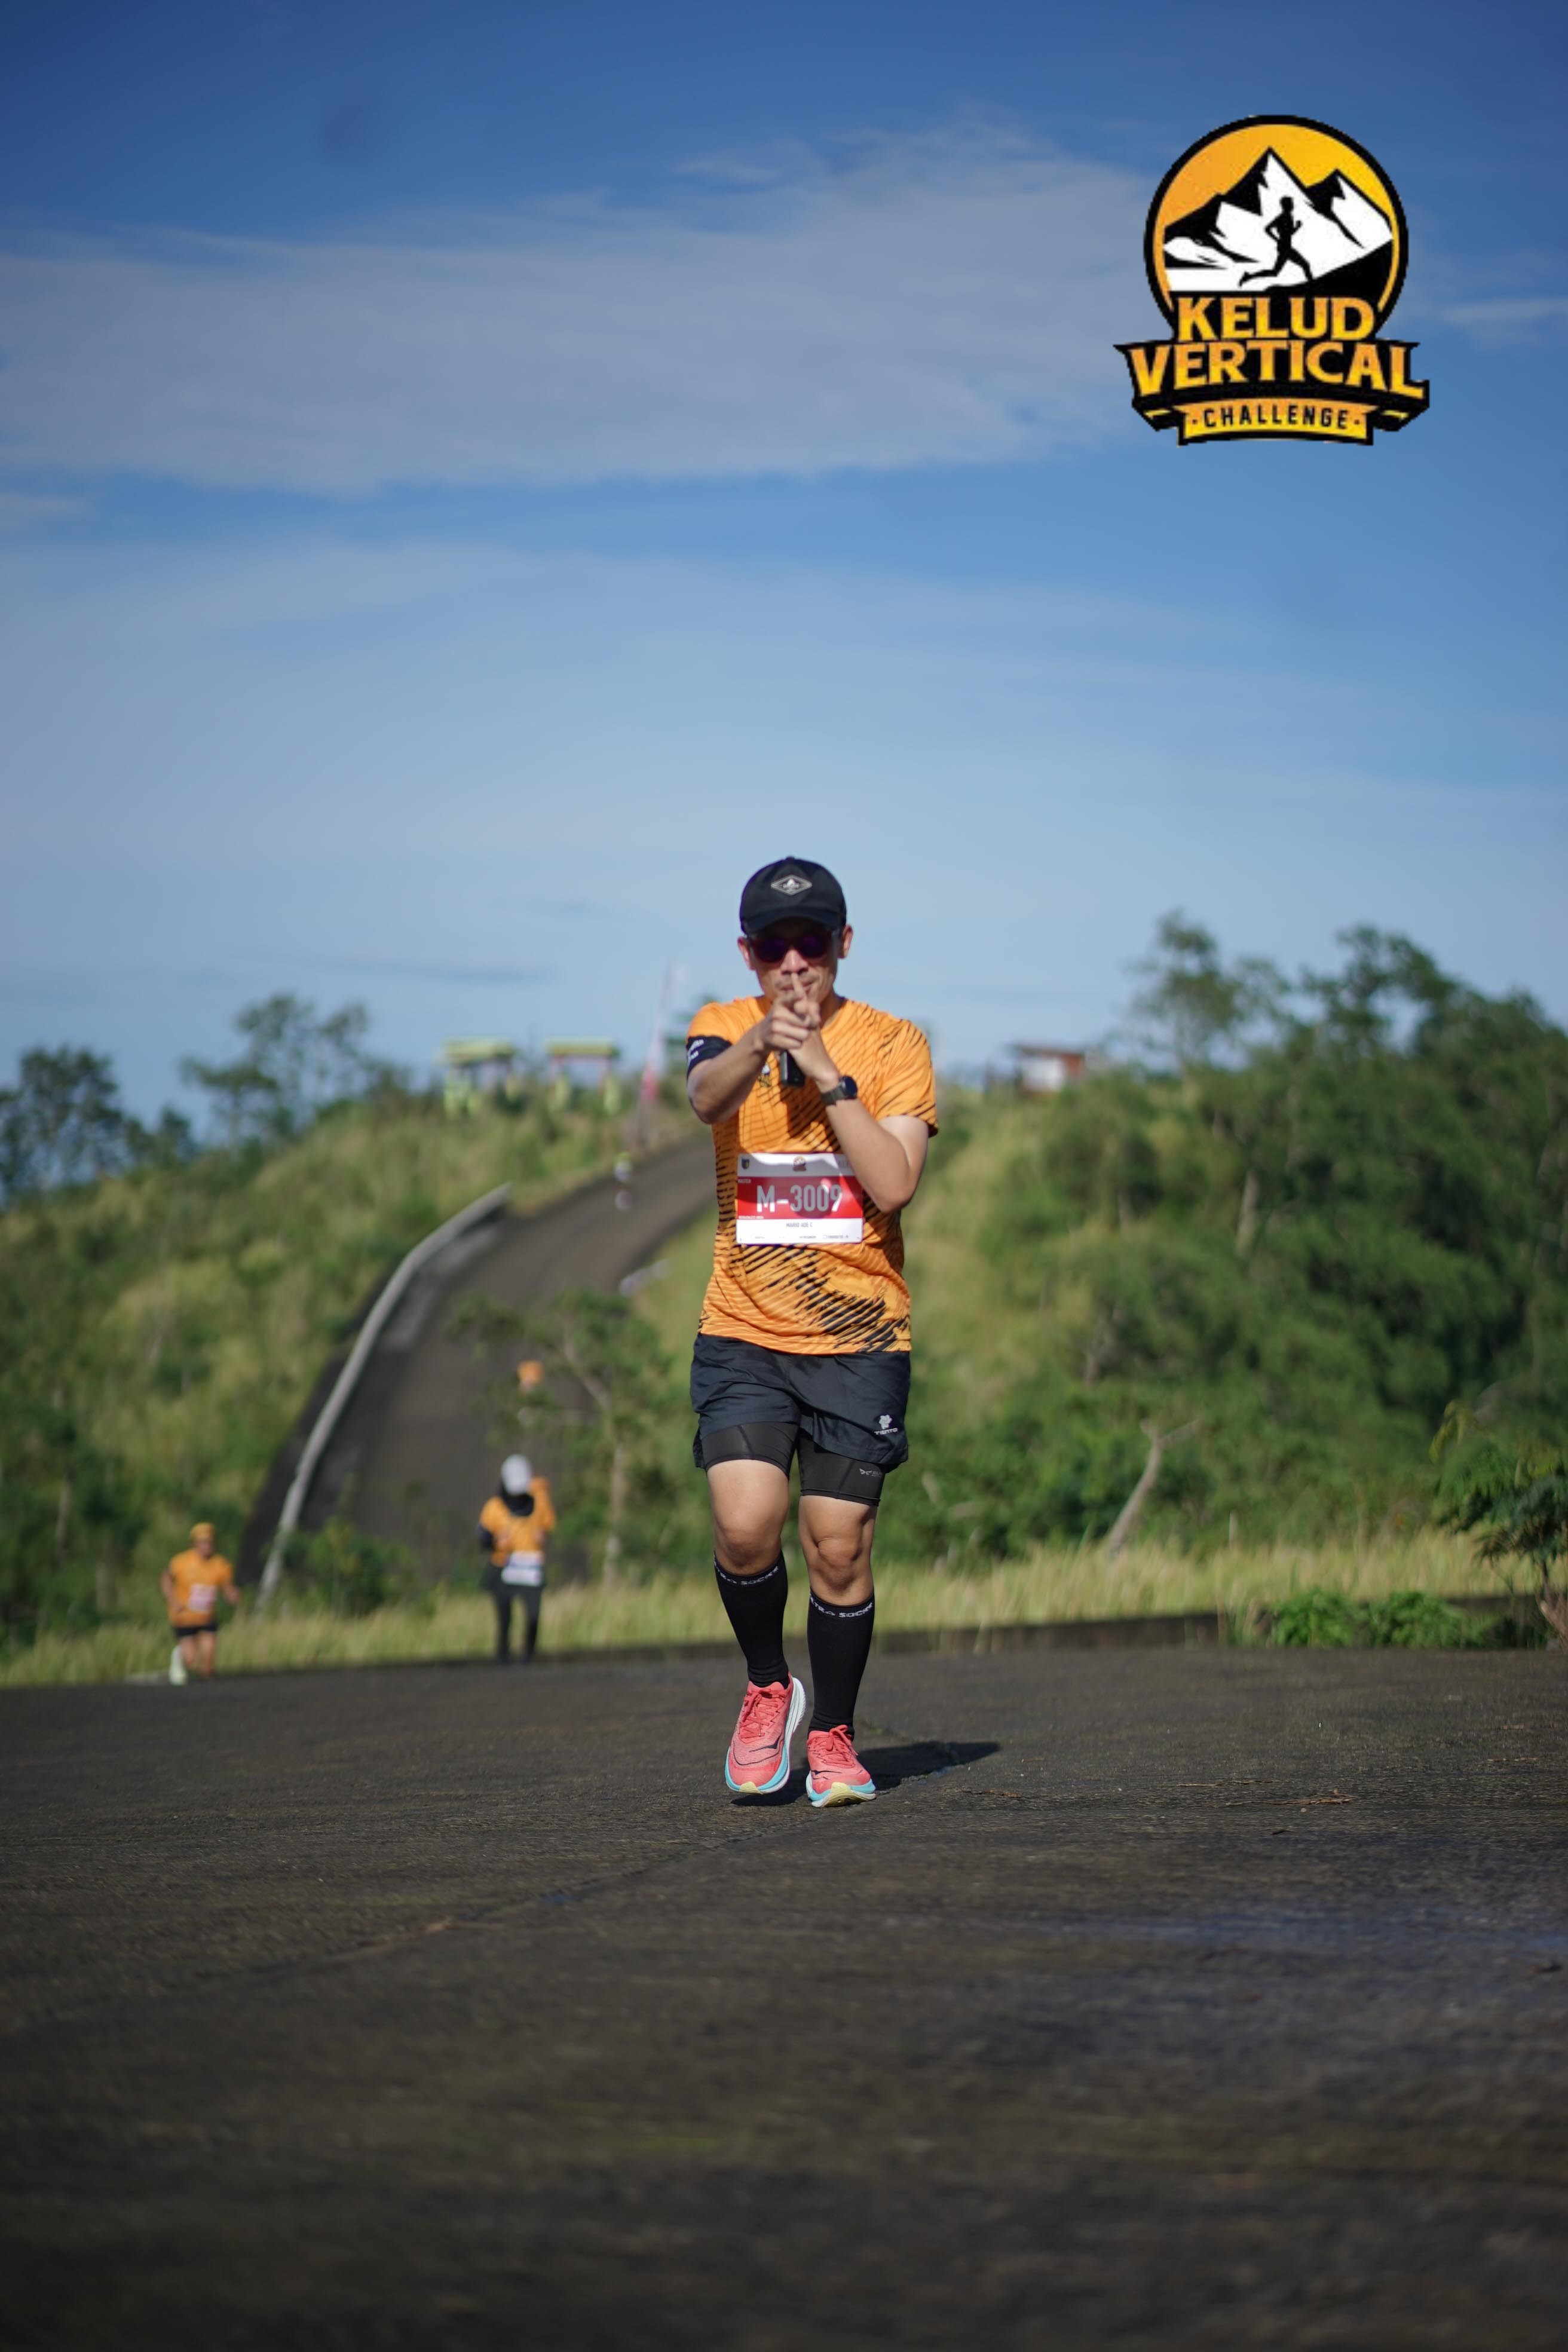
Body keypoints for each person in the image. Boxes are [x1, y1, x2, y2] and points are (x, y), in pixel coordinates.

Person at [685, 857, 937, 1806]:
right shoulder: (722, 1026)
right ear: (748, 953)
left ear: (844, 944)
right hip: (744, 1329)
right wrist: (763, 1040)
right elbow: (705, 1100)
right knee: (745, 1524)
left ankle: (832, 1731)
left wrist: (829, 1074)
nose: (795, 962)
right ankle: (767, 1687)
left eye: (813, 941)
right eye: (774, 945)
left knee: (838, 1546)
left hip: (859, 1337)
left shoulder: (895, 1042)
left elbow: (894, 1183)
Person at [479, 1454, 556, 1661]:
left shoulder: (539, 1502)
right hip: (503, 1567)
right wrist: (496, 1541)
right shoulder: (494, 1508)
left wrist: (542, 1536)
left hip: (530, 1569)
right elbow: (483, 1539)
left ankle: (528, 1656)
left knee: (533, 1615)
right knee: (505, 1617)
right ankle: (503, 1656)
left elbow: (547, 1526)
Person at [161, 1523, 241, 1685]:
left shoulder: (220, 1564)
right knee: (191, 1660)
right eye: (202, 1542)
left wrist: (232, 1595)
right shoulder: (181, 1562)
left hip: (206, 1617)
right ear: (194, 1544)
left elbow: (226, 1586)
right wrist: (173, 1600)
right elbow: (166, 1579)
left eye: (209, 1542)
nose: (206, 1546)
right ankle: (179, 1656)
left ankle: (209, 1691)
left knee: (208, 1662)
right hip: (185, 1617)